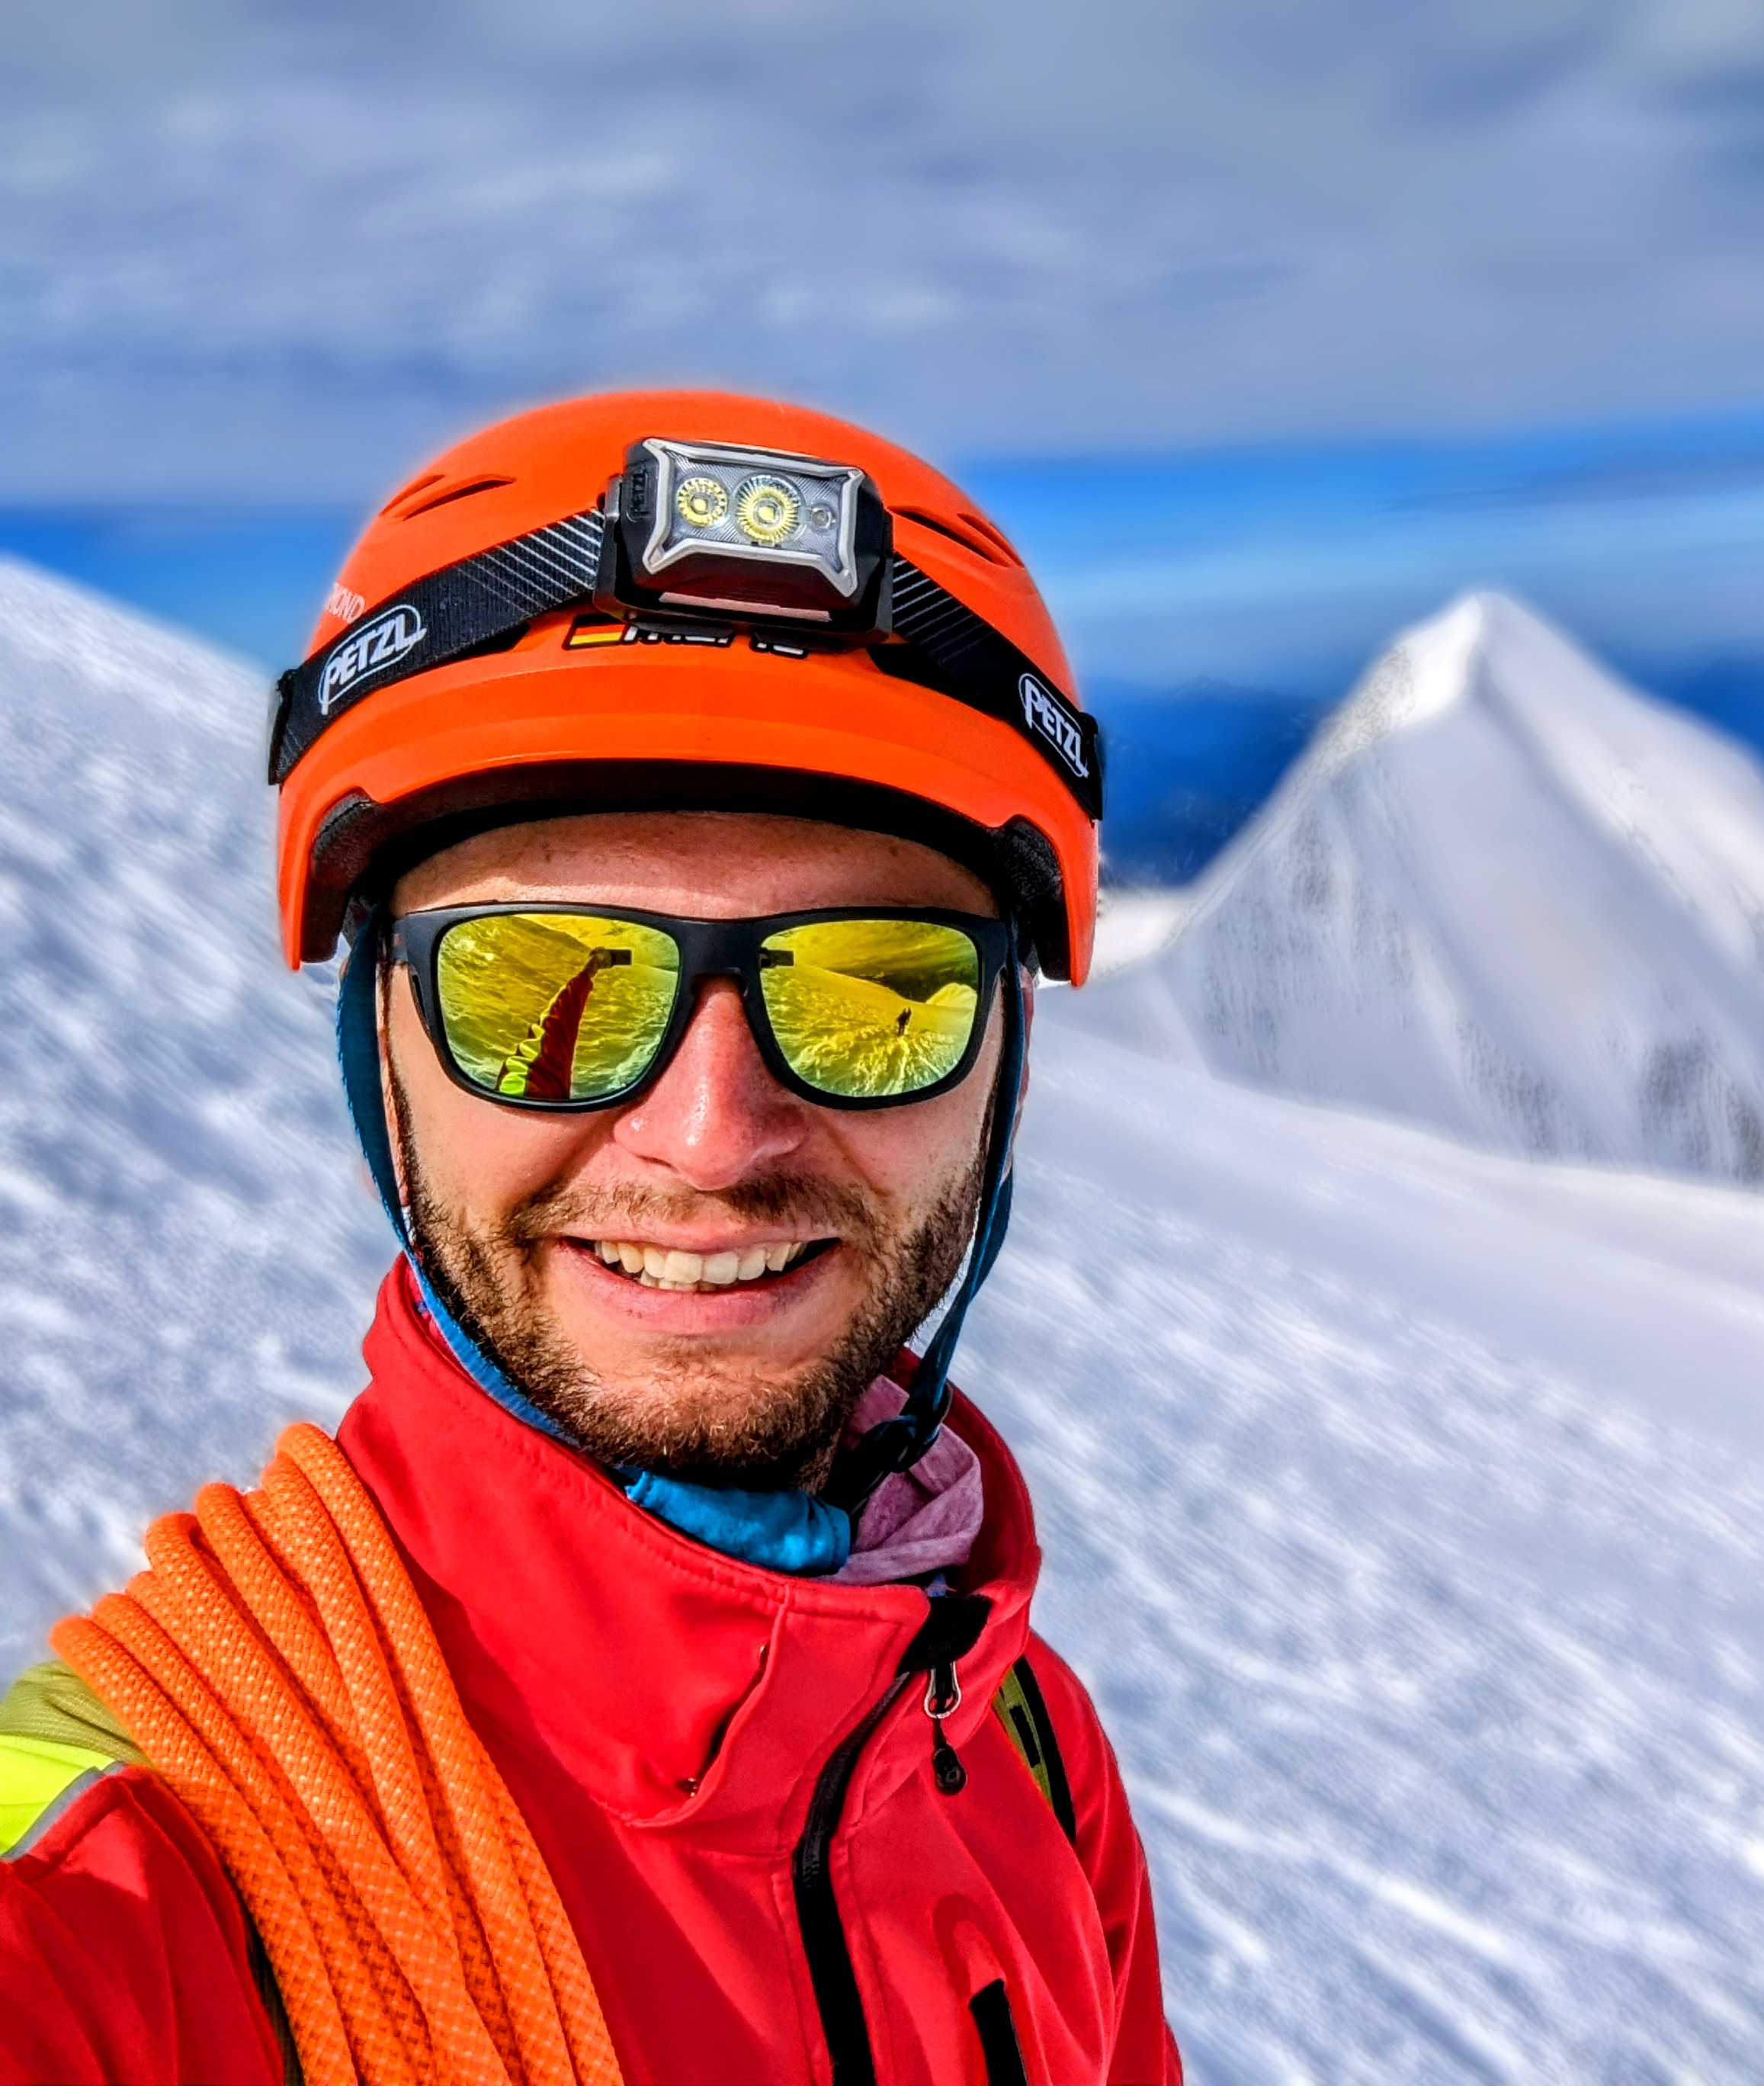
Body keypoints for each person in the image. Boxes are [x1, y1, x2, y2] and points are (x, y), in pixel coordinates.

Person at [0, 393, 1179, 2085]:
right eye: (539, 986)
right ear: (383, 1055)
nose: (712, 1136)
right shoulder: (126, 1887)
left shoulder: (1019, 1753)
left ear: (1000, 1070)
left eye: (875, 993)